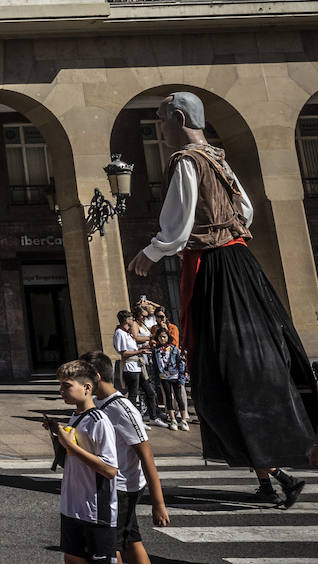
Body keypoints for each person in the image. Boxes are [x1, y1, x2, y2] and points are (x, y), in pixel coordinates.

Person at [129, 92, 317, 508]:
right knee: (244, 369)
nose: (160, 127)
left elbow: (178, 224)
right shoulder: (218, 159)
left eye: (161, 119)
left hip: (214, 269)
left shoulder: (186, 160)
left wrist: (153, 251)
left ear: (179, 118)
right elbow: (245, 213)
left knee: (220, 374)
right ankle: (269, 478)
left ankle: (276, 474)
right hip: (242, 264)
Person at [81, 351, 169, 564]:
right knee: (131, 540)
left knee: (110, 546)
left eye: (82, 376)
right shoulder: (95, 402)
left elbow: (146, 455)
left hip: (122, 488)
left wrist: (158, 503)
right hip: (110, 485)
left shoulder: (122, 409)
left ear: (96, 376)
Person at [44, 360, 118, 564]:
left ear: (87, 388)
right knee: (72, 559)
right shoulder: (76, 416)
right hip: (72, 507)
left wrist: (71, 446)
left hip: (94, 511)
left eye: (66, 385)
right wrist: (57, 433)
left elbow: (110, 469)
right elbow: (70, 459)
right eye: (60, 385)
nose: (61, 391)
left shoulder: (99, 421)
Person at [113, 311, 160, 425]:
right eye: (131, 318)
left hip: (138, 366)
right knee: (133, 395)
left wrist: (142, 348)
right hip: (130, 367)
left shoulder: (127, 333)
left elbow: (132, 348)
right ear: (126, 320)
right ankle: (134, 420)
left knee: (150, 392)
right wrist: (140, 351)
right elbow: (124, 353)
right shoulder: (120, 333)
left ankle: (153, 417)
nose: (133, 320)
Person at [150, 332, 187, 432]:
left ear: (168, 337)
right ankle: (173, 420)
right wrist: (156, 379)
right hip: (164, 377)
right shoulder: (156, 351)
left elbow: (180, 363)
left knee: (178, 397)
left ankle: (184, 420)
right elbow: (155, 366)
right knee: (168, 397)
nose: (162, 339)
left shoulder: (174, 349)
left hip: (175, 376)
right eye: (160, 337)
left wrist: (182, 378)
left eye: (164, 337)